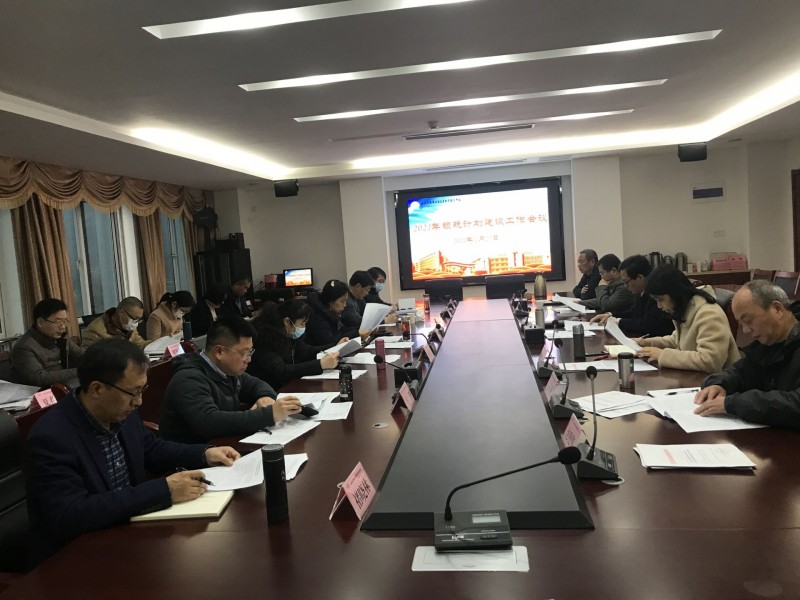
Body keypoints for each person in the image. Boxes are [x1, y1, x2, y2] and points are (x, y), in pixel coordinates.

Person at [24, 338, 239, 566]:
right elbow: (72, 514)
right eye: (133, 392)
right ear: (97, 389)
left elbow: (152, 449)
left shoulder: (120, 410)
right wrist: (163, 490)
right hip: (79, 559)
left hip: (129, 534)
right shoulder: (52, 437)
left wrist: (204, 454)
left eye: (142, 390)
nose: (139, 402)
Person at [160, 315, 302, 443]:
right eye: (244, 353)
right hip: (194, 456)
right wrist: (269, 415)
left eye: (250, 352)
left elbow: (257, 384)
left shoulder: (226, 369)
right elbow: (210, 422)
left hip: (224, 445)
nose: (249, 359)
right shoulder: (188, 379)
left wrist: (265, 397)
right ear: (219, 352)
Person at [694, 280, 800, 428]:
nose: (745, 330)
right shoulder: (768, 344)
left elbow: (795, 404)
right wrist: (719, 384)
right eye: (741, 324)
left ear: (777, 309)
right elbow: (739, 371)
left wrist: (734, 403)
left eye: (748, 321)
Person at [634, 265, 740, 373]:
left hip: (720, 381)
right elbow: (677, 340)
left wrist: (662, 355)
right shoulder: (686, 310)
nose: (659, 306)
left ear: (675, 293)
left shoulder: (709, 314)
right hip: (700, 378)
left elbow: (710, 361)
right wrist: (645, 343)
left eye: (661, 299)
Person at [248, 299, 340, 390]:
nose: (304, 328)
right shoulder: (265, 338)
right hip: (272, 389)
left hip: (288, 384)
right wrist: (320, 364)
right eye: (302, 324)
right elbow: (281, 371)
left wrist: (336, 346)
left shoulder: (289, 333)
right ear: (287, 322)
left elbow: (306, 351)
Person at [589, 254, 675, 337]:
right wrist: (610, 315)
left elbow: (647, 325)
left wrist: (618, 321)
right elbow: (633, 312)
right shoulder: (640, 291)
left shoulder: (656, 293)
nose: (625, 286)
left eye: (626, 282)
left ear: (639, 277)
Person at [10, 298, 84, 388]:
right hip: (37, 392)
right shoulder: (24, 347)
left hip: (62, 387)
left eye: (65, 321)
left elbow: (82, 355)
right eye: (58, 321)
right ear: (40, 322)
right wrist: (80, 371)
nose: (63, 327)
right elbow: (39, 378)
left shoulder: (62, 338)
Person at [305, 279, 373, 346]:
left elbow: (341, 329)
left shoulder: (331, 311)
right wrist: (357, 333)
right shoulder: (318, 318)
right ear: (331, 300)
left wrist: (359, 330)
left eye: (345, 301)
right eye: (342, 301)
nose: (345, 305)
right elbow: (331, 342)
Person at [81, 296, 148, 349]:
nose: (136, 323)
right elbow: (88, 357)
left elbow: (140, 344)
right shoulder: (96, 330)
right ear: (121, 312)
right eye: (134, 319)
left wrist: (154, 343)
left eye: (138, 320)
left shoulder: (128, 326)